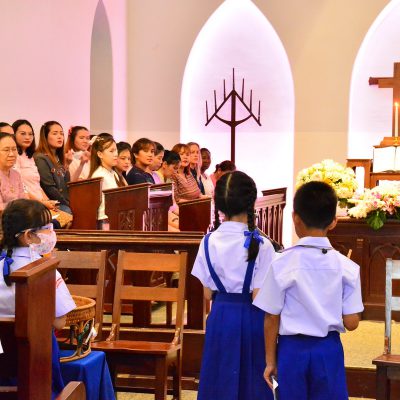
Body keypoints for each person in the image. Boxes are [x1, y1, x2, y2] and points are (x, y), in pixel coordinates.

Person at [254, 181, 364, 400]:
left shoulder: (281, 262)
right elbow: (352, 322)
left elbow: (271, 317)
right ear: (333, 221)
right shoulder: (348, 267)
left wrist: (270, 360)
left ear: (295, 217)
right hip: (328, 350)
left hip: (292, 350)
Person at [192, 171, 275, 400]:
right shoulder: (262, 244)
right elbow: (261, 297)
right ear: (251, 202)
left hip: (220, 316)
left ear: (218, 204)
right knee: (252, 382)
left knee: (218, 379)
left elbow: (207, 293)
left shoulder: (207, 241)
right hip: (251, 317)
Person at [0, 199, 76, 398]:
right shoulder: (44, 272)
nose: (52, 232)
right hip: (37, 370)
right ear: (28, 236)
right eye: (47, 228)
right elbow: (59, 322)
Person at [89, 134, 126, 229]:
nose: (116, 154)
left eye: (116, 150)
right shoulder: (99, 175)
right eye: (111, 151)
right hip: (105, 221)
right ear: (100, 154)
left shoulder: (113, 173)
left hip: (116, 217)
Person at [34, 121, 72, 214]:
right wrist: (68, 204)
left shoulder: (59, 157)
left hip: (64, 202)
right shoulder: (40, 157)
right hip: (52, 203)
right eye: (55, 133)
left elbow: (67, 184)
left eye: (61, 134)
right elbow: (49, 188)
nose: (60, 137)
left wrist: (67, 165)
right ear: (45, 136)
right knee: (68, 211)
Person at [0, 132, 26, 210]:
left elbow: (23, 201)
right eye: (6, 150)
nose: (12, 154)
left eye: (14, 149)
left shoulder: (16, 174)